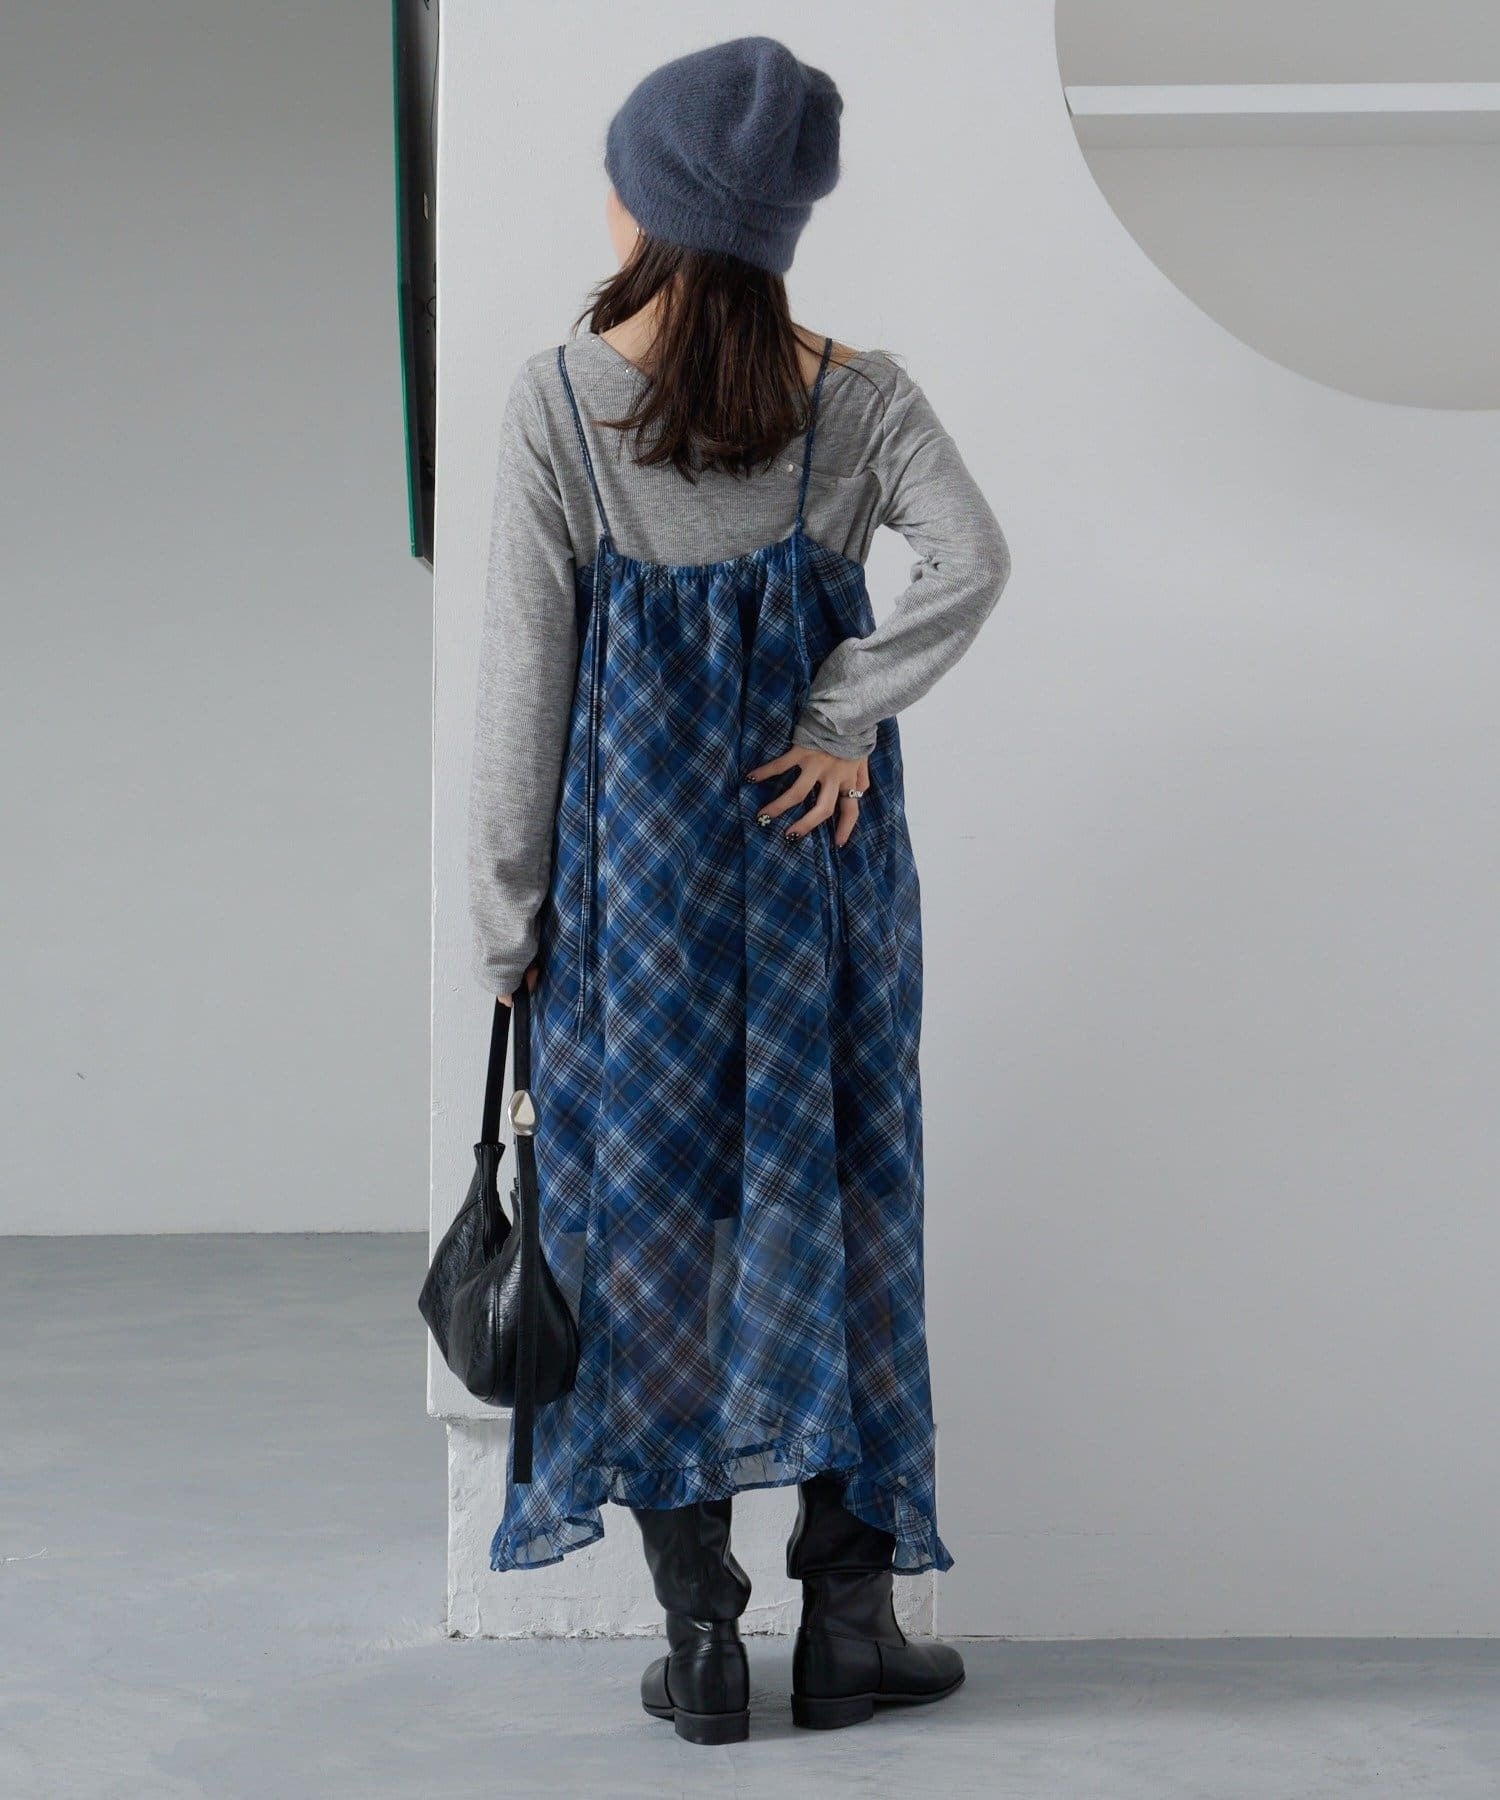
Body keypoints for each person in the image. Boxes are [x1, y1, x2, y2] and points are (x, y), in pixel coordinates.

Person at [467, 34, 1011, 1743]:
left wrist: (506, 922)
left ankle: (703, 1644)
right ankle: (848, 1632)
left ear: (643, 202)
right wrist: (842, 715)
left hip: (636, 916)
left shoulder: (560, 402)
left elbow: (523, 690)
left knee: (649, 1231)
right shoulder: (858, 395)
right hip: (819, 897)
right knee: (842, 1205)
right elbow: (975, 558)